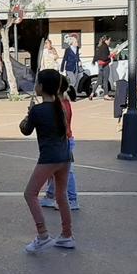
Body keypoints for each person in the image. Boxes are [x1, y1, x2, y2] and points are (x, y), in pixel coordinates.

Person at [19, 70, 75, 253]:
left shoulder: (38, 110)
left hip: (49, 158)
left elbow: (25, 130)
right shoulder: (61, 106)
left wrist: (28, 116)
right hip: (65, 157)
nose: (35, 86)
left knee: (30, 194)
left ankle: (42, 235)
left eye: (37, 83)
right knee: (61, 195)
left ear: (41, 87)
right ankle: (67, 235)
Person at [39, 73, 79, 212]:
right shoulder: (62, 102)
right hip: (63, 141)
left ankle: (72, 199)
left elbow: (57, 125)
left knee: (67, 172)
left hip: (64, 141)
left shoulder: (60, 105)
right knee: (54, 171)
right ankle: (50, 196)